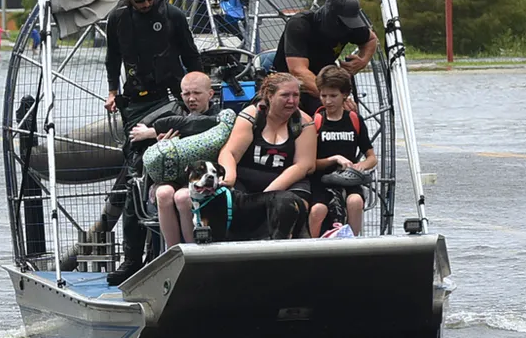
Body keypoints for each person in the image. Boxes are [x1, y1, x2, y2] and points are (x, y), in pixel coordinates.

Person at [104, 0, 203, 285]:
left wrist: (196, 94)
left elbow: (191, 56)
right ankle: (133, 257)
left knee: (173, 168)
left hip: (172, 97)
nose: (146, 6)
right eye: (139, 2)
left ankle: (164, 249)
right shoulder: (117, 20)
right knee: (136, 175)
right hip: (136, 103)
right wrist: (112, 91)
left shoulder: (173, 15)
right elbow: (112, 59)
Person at [128, 71, 220, 249]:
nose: (191, 99)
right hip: (170, 178)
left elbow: (199, 124)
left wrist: (151, 131)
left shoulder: (219, 117)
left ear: (210, 94)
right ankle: (172, 252)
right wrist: (163, 146)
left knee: (184, 197)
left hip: (201, 180)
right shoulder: (172, 113)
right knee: (164, 194)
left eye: (197, 93)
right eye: (186, 94)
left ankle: (192, 249)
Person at [217, 72, 317, 212]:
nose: (292, 101)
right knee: (228, 200)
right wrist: (229, 178)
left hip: (286, 181)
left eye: (295, 95)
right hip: (248, 177)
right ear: (270, 96)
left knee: (290, 206)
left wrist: (267, 196)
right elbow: (230, 152)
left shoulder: (304, 123)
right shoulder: (252, 115)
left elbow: (304, 165)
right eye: (285, 95)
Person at [272, 0, 379, 116]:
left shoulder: (351, 25)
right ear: (330, 16)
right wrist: (330, 98)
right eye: (343, 22)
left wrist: (362, 61)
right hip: (290, 82)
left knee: (347, 114)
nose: (347, 27)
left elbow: (371, 39)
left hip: (324, 80)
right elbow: (298, 71)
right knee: (324, 111)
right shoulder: (300, 24)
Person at [308, 65, 377, 237]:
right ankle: (312, 245)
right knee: (318, 210)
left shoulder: (354, 120)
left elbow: (371, 157)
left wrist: (359, 166)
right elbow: (309, 163)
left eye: (333, 96)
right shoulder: (316, 121)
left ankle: (352, 241)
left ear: (345, 95)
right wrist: (334, 159)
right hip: (322, 179)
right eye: (323, 96)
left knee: (355, 201)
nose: (328, 101)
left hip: (349, 179)